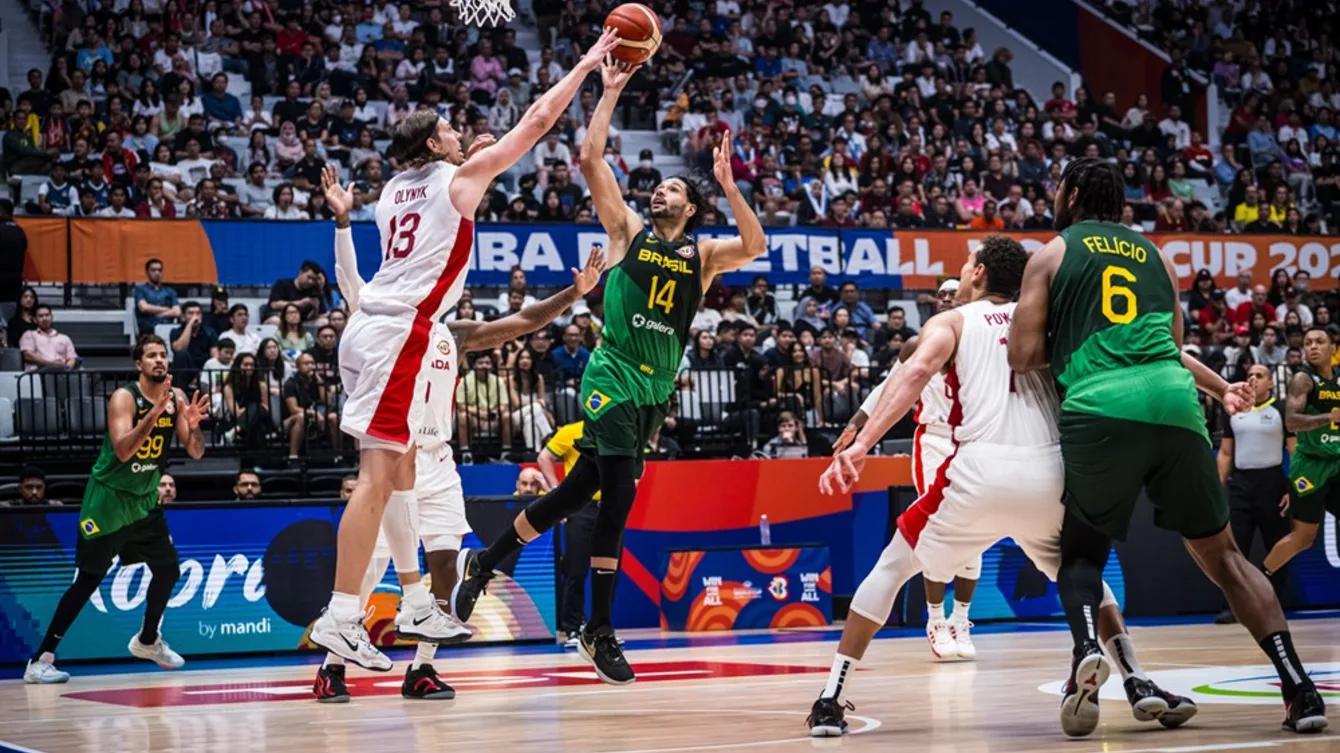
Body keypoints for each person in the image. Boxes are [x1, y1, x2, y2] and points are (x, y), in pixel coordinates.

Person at [452, 56, 768, 687]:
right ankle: (598, 628)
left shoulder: (703, 255)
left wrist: (730, 185)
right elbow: (593, 159)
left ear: (692, 206)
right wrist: (611, 90)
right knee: (617, 497)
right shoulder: (626, 232)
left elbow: (756, 246)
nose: (660, 191)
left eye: (673, 189)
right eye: (658, 188)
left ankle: (486, 563)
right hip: (610, 376)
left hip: (652, 391)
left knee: (576, 494)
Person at [808, 238, 1196, 737]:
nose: (962, 271)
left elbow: (917, 371)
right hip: (1050, 473)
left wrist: (862, 444)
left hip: (978, 473)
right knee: (1081, 576)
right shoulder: (1049, 321)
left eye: (966, 264)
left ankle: (829, 698)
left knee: (890, 569)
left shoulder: (952, 321)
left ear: (979, 273)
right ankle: (1139, 679)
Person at [1007, 158, 1327, 735]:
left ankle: (1086, 650)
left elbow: (1023, 355)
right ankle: (1299, 687)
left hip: (1102, 408)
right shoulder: (1154, 255)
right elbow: (1168, 345)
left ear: (1073, 194)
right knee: (1225, 557)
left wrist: (1072, 332)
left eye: (1058, 188)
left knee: (1080, 554)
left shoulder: (1052, 252)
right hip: (1177, 407)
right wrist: (1217, 385)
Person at [314, 165, 609, 700]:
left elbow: (521, 323)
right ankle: (334, 661)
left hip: (439, 461)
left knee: (447, 564)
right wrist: (341, 223)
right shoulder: (385, 315)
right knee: (371, 567)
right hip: (394, 453)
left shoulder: (454, 334)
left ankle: (422, 667)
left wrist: (573, 292)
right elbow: (351, 283)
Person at [24, 335, 208, 684]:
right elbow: (123, 451)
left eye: (163, 355)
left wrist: (195, 427)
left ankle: (148, 640)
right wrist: (152, 415)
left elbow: (196, 452)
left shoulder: (177, 398)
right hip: (108, 500)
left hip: (144, 500)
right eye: (151, 355)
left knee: (168, 571)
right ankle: (40, 659)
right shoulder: (124, 397)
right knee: (88, 580)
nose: (159, 360)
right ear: (138, 364)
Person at [835, 279, 980, 661]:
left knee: (976, 533)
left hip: (972, 438)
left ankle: (961, 618)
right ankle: (935, 619)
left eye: (954, 292)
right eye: (942, 294)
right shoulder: (921, 343)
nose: (948, 298)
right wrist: (858, 423)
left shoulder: (978, 337)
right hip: (932, 438)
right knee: (939, 526)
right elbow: (888, 387)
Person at [1215, 363, 1292, 624]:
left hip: (1273, 484)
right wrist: (1217, 487)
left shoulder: (1281, 410)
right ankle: (1233, 607)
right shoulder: (1233, 409)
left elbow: (1295, 450)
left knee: (1277, 547)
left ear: (1270, 383)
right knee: (1234, 550)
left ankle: (1273, 604)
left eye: (1259, 376)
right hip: (1241, 484)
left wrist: (1294, 488)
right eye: (1249, 375)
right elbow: (1226, 453)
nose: (1253, 379)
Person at [1262, 328, 1340, 578]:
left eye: (1319, 342)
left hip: (1337, 461)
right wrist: (1330, 417)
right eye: (1308, 343)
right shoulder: (1303, 379)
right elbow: (1292, 422)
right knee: (1303, 539)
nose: (1313, 347)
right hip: (1310, 465)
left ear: (1333, 349)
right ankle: (1260, 578)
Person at [536, 420, 601, 648]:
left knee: (608, 571)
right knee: (576, 569)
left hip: (608, 506)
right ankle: (573, 627)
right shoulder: (572, 431)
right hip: (580, 507)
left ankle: (602, 629)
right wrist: (558, 493)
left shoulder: (616, 429)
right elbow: (544, 457)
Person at [19, 305, 80, 371]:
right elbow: (28, 356)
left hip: (61, 375)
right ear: (35, 320)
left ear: (52, 317)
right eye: (41, 316)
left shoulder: (64, 338)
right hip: (38, 374)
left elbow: (71, 358)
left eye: (47, 315)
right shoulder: (29, 334)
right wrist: (52, 364)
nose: (44, 318)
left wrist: (66, 370)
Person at [133, 258, 180, 335]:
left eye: (159, 270)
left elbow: (177, 312)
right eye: (153, 270)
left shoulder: (170, 291)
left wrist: (159, 314)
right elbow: (144, 308)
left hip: (168, 329)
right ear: (147, 272)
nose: (157, 273)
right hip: (149, 329)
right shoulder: (140, 290)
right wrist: (166, 309)